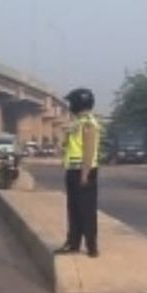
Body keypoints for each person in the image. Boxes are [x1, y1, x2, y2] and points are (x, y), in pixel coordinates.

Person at [55, 88, 101, 258]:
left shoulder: (88, 123)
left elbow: (88, 150)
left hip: (84, 171)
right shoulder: (77, 122)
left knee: (86, 210)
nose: (70, 105)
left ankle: (91, 246)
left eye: (72, 102)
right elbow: (68, 146)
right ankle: (73, 243)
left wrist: (84, 174)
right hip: (73, 170)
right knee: (73, 209)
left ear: (79, 103)